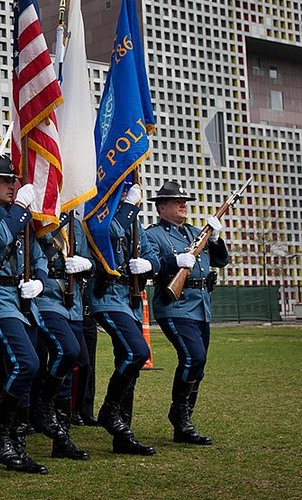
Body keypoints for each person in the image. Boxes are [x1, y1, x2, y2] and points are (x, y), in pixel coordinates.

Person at [0, 155, 49, 475]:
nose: (11, 185)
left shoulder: (16, 215)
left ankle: (16, 442)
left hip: (21, 301)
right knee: (26, 363)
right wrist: (21, 208)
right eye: (4, 181)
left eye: (13, 180)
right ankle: (0, 430)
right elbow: (1, 236)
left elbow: (38, 255)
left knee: (23, 369)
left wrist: (39, 279)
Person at [145, 181, 229, 445]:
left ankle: (184, 421)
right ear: (161, 208)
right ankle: (179, 416)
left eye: (185, 201)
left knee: (199, 365)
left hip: (201, 306)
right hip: (175, 306)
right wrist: (173, 262)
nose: (183, 205)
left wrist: (215, 240)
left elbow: (220, 261)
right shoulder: (153, 234)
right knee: (194, 356)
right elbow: (152, 266)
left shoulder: (196, 232)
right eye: (177, 201)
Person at [87, 182, 160, 456]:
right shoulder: (99, 213)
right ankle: (109, 410)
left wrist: (149, 265)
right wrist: (129, 206)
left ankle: (122, 434)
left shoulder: (134, 224)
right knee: (138, 353)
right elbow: (108, 231)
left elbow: (154, 256)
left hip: (129, 300)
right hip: (106, 297)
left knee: (127, 362)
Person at [33, 212, 94, 460]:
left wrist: (86, 265)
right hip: (46, 297)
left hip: (74, 302)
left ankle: (61, 439)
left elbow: (92, 260)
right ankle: (43, 402)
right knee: (67, 350)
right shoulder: (39, 218)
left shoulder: (76, 225)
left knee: (70, 367)